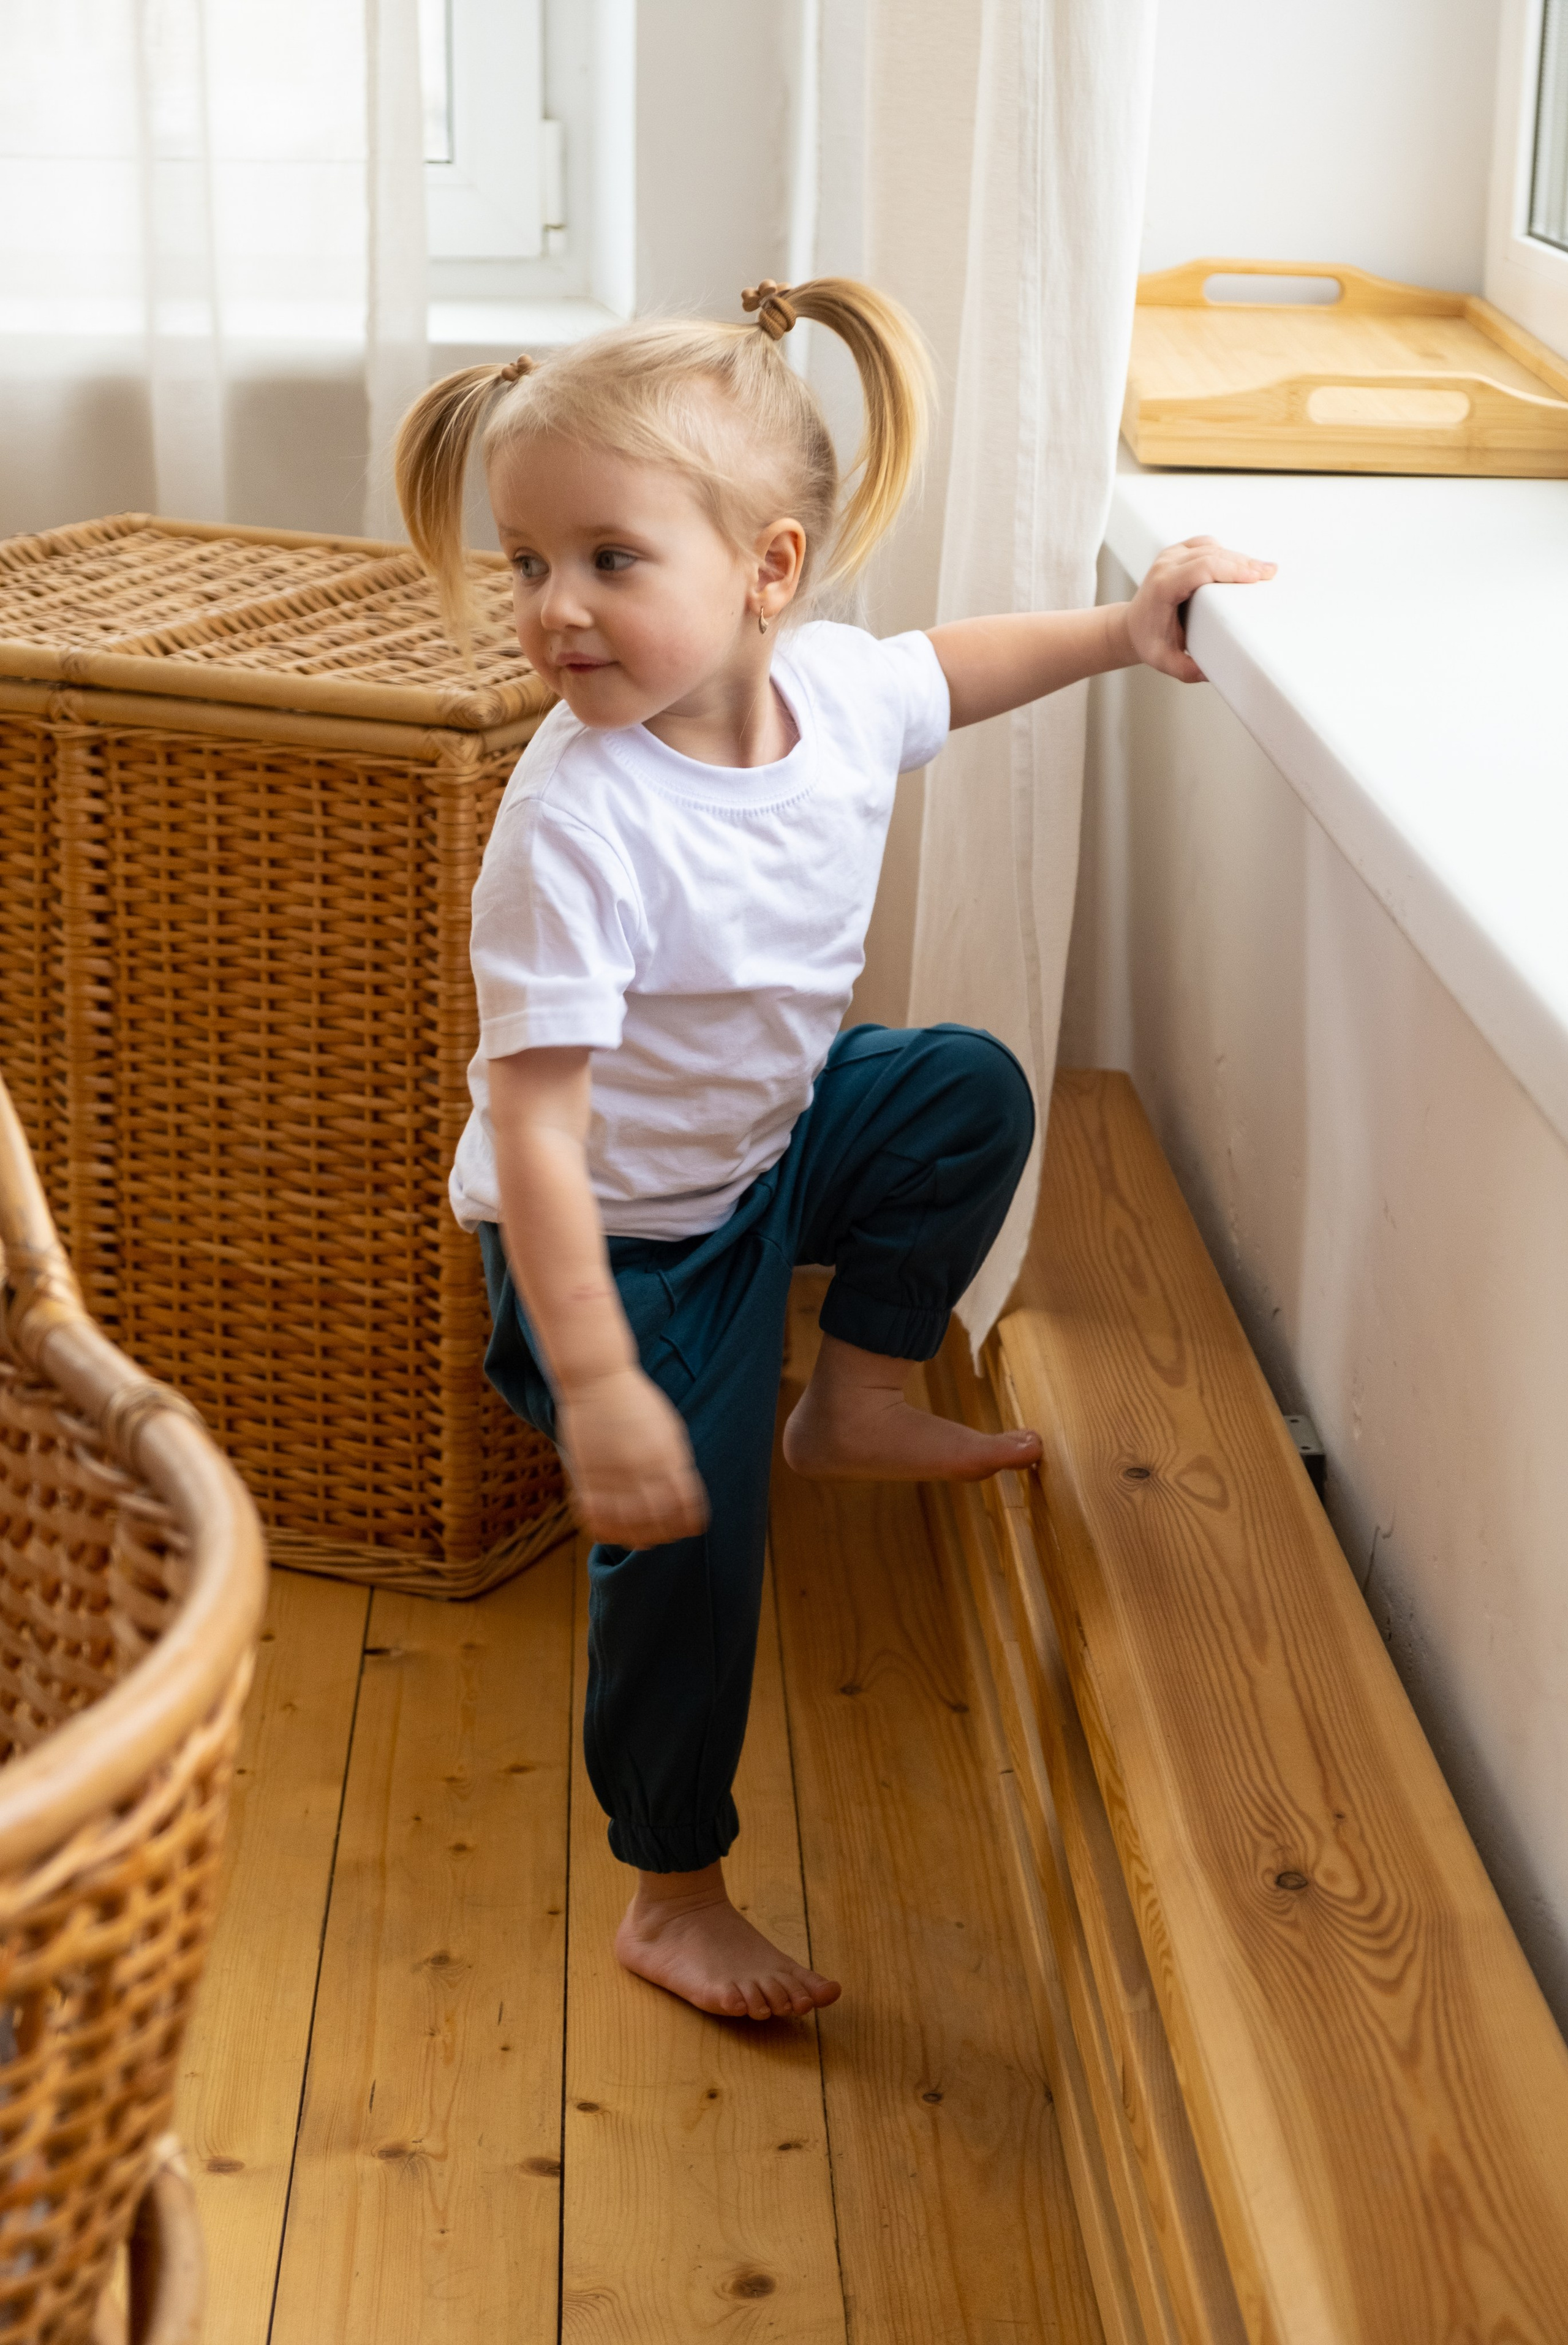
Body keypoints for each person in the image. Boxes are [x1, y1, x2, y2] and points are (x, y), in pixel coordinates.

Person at [394, 275, 1273, 2025]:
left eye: (609, 560)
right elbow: (543, 1143)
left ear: (769, 574)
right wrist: (603, 1380)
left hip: (764, 1149)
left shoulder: (841, 700)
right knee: (688, 1551)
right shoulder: (578, 821)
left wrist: (1130, 628)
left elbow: (963, 665)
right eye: (526, 563)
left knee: (962, 1085)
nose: (553, 610)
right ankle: (673, 1883)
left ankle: (854, 1393)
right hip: (618, 1247)